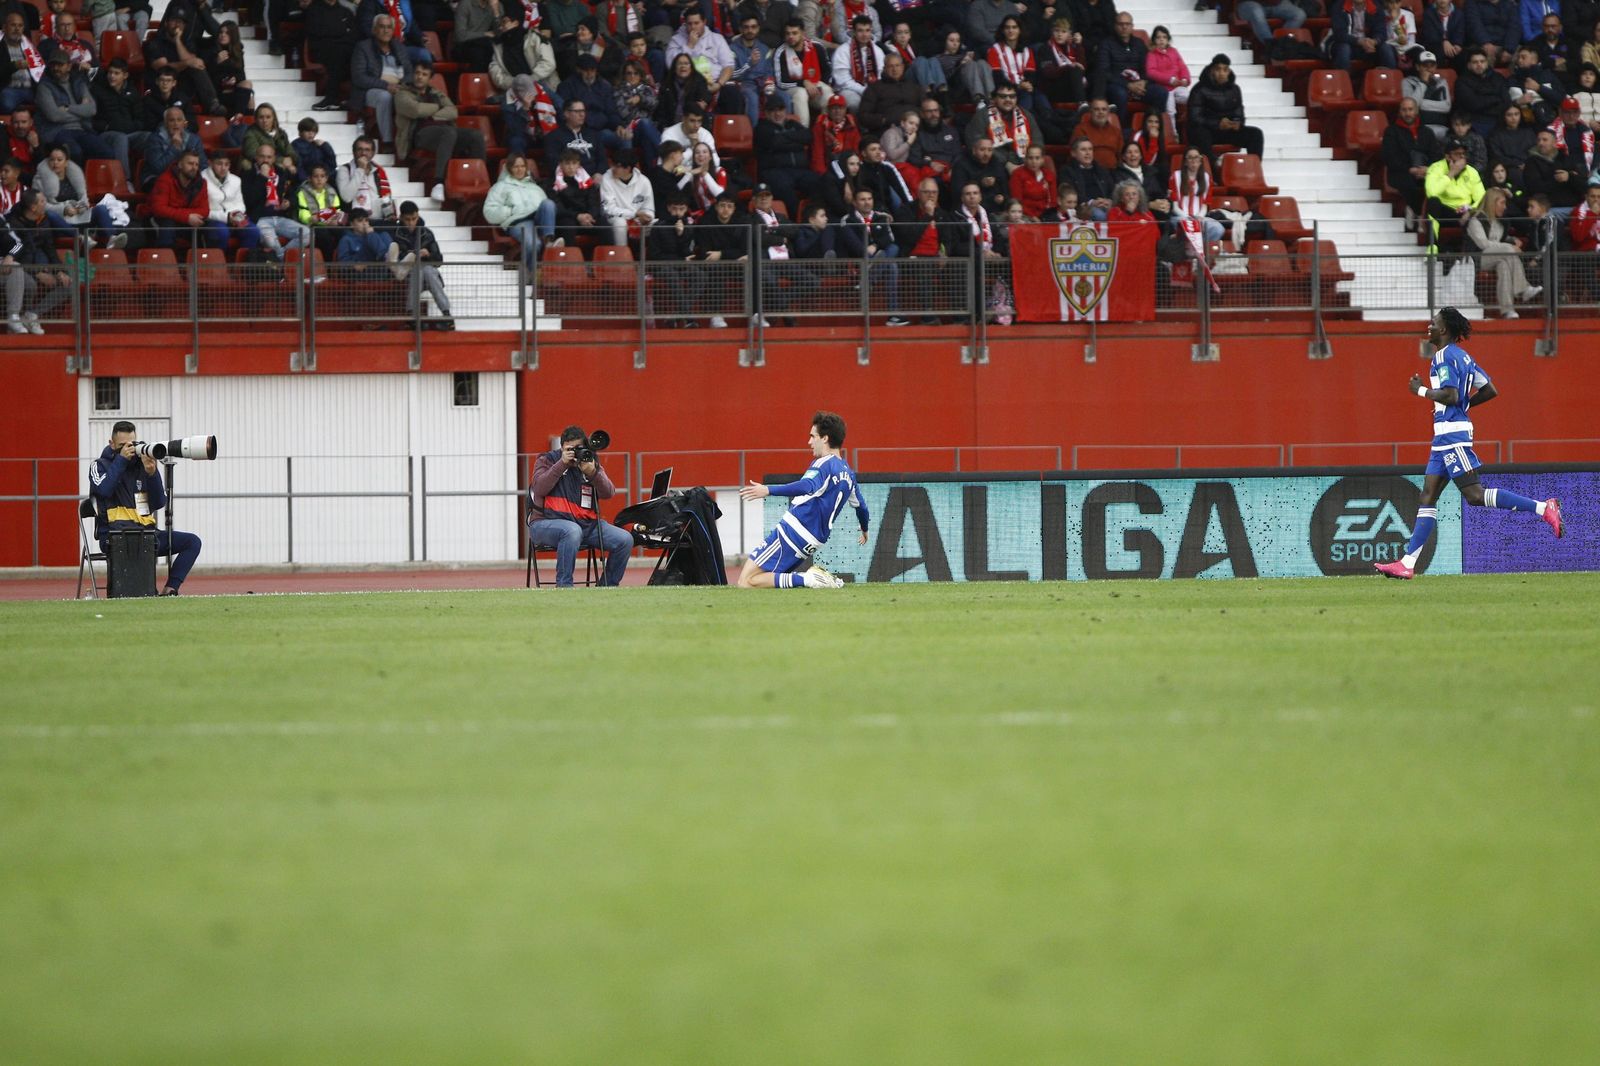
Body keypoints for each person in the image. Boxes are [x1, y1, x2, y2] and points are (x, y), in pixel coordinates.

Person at [1376, 308, 1562, 579]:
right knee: (1427, 495)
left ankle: (1544, 507)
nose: (1429, 326)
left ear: (1444, 330)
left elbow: (1450, 395)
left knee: (1474, 495)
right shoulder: (1464, 357)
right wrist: (1466, 405)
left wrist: (1420, 390)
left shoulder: (1443, 356)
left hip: (1452, 436)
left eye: (1434, 323)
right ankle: (1407, 563)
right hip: (1443, 436)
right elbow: (1490, 389)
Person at [735, 411, 868, 589]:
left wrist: (767, 490)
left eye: (813, 436)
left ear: (825, 438)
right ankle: (809, 580)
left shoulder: (824, 463)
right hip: (812, 540)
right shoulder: (848, 473)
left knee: (746, 581)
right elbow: (862, 508)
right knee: (769, 580)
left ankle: (810, 579)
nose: (809, 442)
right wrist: (865, 529)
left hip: (794, 530)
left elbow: (807, 485)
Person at [88, 420, 202, 595]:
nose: (128, 450)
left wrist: (152, 473)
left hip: (147, 535)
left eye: (131, 444)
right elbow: (103, 490)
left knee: (192, 542)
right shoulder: (99, 465)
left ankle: (170, 590)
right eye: (121, 446)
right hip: (114, 536)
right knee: (134, 549)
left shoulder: (142, 466)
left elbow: (158, 503)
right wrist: (121, 461)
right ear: (111, 444)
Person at [527, 424, 635, 587]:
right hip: (545, 523)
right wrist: (562, 464)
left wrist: (593, 473)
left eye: (579, 448)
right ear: (562, 447)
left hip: (586, 525)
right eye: (570, 448)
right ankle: (564, 586)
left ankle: (607, 586)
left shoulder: (588, 460)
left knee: (625, 539)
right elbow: (539, 488)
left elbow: (609, 493)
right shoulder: (547, 459)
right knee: (571, 531)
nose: (575, 452)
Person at [1465, 187, 1542, 317]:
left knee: (1504, 266)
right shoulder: (1476, 220)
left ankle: (1507, 310)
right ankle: (1523, 289)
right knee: (1508, 250)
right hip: (1477, 259)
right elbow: (1483, 244)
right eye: (1502, 203)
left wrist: (1511, 239)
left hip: (1497, 257)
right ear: (1492, 203)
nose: (1505, 207)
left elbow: (1498, 239)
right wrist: (1509, 246)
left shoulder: (1501, 222)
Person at [396, 59, 487, 165]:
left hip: (444, 131)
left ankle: (478, 175)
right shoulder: (402, 94)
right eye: (417, 73)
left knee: (475, 135)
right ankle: (440, 180)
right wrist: (439, 107)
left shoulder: (436, 93)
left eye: (424, 74)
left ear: (430, 78)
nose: (420, 77)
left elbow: (453, 111)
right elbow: (416, 110)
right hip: (419, 136)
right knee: (448, 133)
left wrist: (432, 116)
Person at [386, 199, 453, 328]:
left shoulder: (427, 233)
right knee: (419, 271)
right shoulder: (396, 234)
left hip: (426, 273)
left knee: (427, 270)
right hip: (407, 275)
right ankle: (443, 315)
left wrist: (428, 254)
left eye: (414, 218)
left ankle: (443, 313)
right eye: (408, 219)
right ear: (401, 218)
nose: (411, 223)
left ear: (418, 216)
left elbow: (438, 260)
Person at [350, 14, 415, 147]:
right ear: (374, 29)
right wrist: (386, 86)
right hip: (372, 90)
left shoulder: (399, 47)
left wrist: (402, 85)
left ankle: (411, 142)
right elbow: (359, 77)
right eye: (382, 27)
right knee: (385, 97)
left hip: (399, 87)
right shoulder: (363, 47)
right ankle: (387, 141)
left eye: (389, 27)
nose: (386, 31)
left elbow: (410, 72)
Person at [1187, 54, 1265, 163]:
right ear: (1212, 70)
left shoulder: (1235, 89)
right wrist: (1217, 124)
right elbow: (1195, 117)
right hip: (1207, 130)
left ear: (1229, 71)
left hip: (1227, 130)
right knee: (1199, 134)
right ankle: (1213, 169)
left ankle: (1253, 168)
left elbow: (1239, 113)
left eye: (1225, 70)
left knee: (1255, 134)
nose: (1222, 73)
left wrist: (1237, 123)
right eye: (1218, 69)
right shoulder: (1199, 89)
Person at [484, 153, 556, 270]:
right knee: (533, 244)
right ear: (509, 168)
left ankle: (549, 242)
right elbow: (489, 212)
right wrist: (510, 211)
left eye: (522, 166)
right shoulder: (500, 187)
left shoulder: (535, 187)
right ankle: (529, 272)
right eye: (516, 166)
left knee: (548, 204)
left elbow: (547, 209)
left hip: (538, 219)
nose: (520, 169)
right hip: (519, 221)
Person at [241, 143, 308, 259]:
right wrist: (261, 177)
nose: (265, 160)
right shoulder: (247, 175)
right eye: (262, 156)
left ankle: (280, 261)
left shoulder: (281, 173)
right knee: (272, 244)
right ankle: (284, 266)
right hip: (261, 219)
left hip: (281, 218)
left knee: (308, 234)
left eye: (269, 157)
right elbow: (249, 200)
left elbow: (292, 194)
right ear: (256, 157)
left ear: (274, 158)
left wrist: (288, 203)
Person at [201, 152, 260, 253]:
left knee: (253, 231)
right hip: (212, 220)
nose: (223, 168)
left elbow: (240, 205)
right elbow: (203, 210)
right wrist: (227, 217)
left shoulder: (236, 180)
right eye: (219, 164)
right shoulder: (201, 180)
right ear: (210, 163)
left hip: (234, 218)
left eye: (226, 164)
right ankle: (219, 265)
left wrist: (235, 217)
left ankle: (245, 265)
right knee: (222, 232)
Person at [335, 136, 397, 223]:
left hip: (378, 220)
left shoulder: (379, 171)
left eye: (367, 150)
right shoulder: (345, 169)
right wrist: (360, 169)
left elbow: (385, 198)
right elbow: (347, 197)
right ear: (354, 152)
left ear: (373, 153)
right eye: (359, 149)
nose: (363, 153)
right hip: (353, 222)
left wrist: (389, 214)